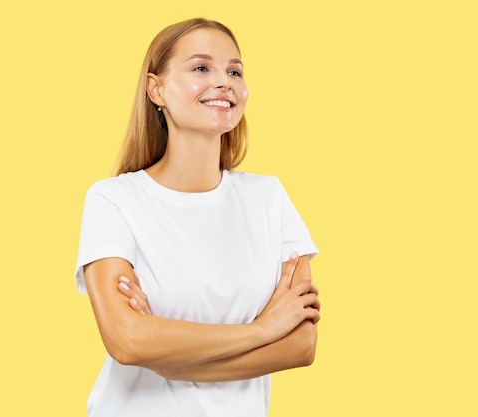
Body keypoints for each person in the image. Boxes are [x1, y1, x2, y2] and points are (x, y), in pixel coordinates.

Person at [75, 18, 320, 417]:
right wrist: (261, 330)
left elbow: (301, 345)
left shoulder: (268, 198)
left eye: (234, 71)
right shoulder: (114, 200)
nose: (224, 82)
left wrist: (163, 357)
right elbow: (127, 342)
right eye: (201, 68)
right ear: (157, 89)